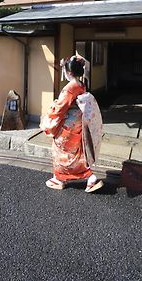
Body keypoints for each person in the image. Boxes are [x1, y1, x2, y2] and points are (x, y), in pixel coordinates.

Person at [40, 55, 104, 193]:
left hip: (67, 125)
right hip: (78, 123)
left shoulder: (69, 88)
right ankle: (90, 177)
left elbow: (60, 108)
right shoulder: (82, 85)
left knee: (60, 149)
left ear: (68, 73)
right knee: (77, 153)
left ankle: (59, 178)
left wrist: (49, 115)